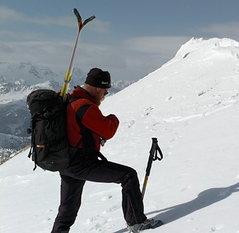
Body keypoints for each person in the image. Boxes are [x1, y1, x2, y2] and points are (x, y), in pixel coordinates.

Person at [51, 68, 162, 233]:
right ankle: (137, 222)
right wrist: (113, 118)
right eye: (105, 91)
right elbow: (108, 130)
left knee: (68, 206)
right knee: (128, 176)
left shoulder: (69, 100)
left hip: (65, 161)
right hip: (81, 162)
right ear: (97, 88)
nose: (104, 95)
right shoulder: (85, 106)